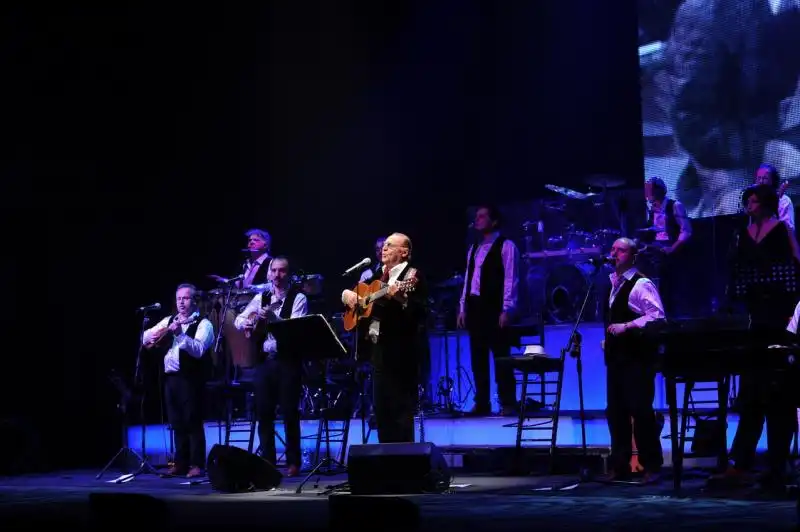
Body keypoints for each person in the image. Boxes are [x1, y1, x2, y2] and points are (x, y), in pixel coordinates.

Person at [714, 183, 800, 489]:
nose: (748, 205)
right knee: (751, 390)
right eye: (746, 201)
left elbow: (796, 265)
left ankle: (779, 463)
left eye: (752, 201)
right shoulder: (742, 235)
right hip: (755, 317)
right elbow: (735, 273)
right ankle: (741, 462)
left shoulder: (781, 229)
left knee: (779, 392)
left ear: (764, 203)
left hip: (780, 317)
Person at [341, 233, 428, 443]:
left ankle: (406, 463)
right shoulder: (377, 274)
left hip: (401, 352)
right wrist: (347, 294)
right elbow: (359, 295)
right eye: (384, 246)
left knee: (400, 412)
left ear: (404, 252)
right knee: (382, 411)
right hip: (377, 351)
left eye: (390, 246)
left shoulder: (412, 275)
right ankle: (386, 463)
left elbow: (420, 312)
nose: (384, 249)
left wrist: (401, 298)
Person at [234, 256, 308, 476]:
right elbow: (239, 319)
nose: (277, 275)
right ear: (268, 273)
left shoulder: (298, 297)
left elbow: (295, 329)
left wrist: (275, 318)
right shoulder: (262, 296)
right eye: (273, 271)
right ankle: (268, 462)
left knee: (289, 413)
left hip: (287, 361)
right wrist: (247, 322)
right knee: (263, 413)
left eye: (282, 271)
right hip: (265, 362)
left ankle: (293, 462)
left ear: (289, 274)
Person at [603, 238, 665, 484]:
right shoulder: (612, 283)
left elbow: (657, 316)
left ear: (632, 255)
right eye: (613, 249)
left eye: (620, 250)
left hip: (637, 359)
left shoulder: (641, 284)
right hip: (617, 358)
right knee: (616, 412)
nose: (614, 253)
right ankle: (619, 465)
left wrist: (627, 326)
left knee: (641, 412)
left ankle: (652, 465)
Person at [142, 284, 214, 478]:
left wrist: (179, 334)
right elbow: (145, 337)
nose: (181, 302)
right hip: (170, 378)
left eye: (186, 298)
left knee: (192, 422)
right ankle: (180, 463)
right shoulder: (169, 320)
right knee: (176, 423)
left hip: (190, 379)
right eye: (179, 298)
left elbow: (199, 350)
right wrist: (160, 332)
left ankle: (197, 464)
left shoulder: (204, 324)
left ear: (194, 300)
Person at [456, 205, 520, 416]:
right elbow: (468, 280)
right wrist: (463, 307)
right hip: (476, 308)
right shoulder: (473, 248)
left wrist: (507, 308)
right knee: (478, 358)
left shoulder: (506, 246)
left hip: (494, 307)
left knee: (501, 356)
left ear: (494, 221)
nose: (477, 219)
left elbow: (511, 278)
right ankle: (482, 402)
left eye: (482, 216)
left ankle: (508, 401)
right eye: (476, 216)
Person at [755, 163, 794, 233]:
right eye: (758, 178)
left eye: (764, 178)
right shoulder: (752, 199)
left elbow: (788, 230)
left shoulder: (784, 201)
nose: (760, 181)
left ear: (773, 181)